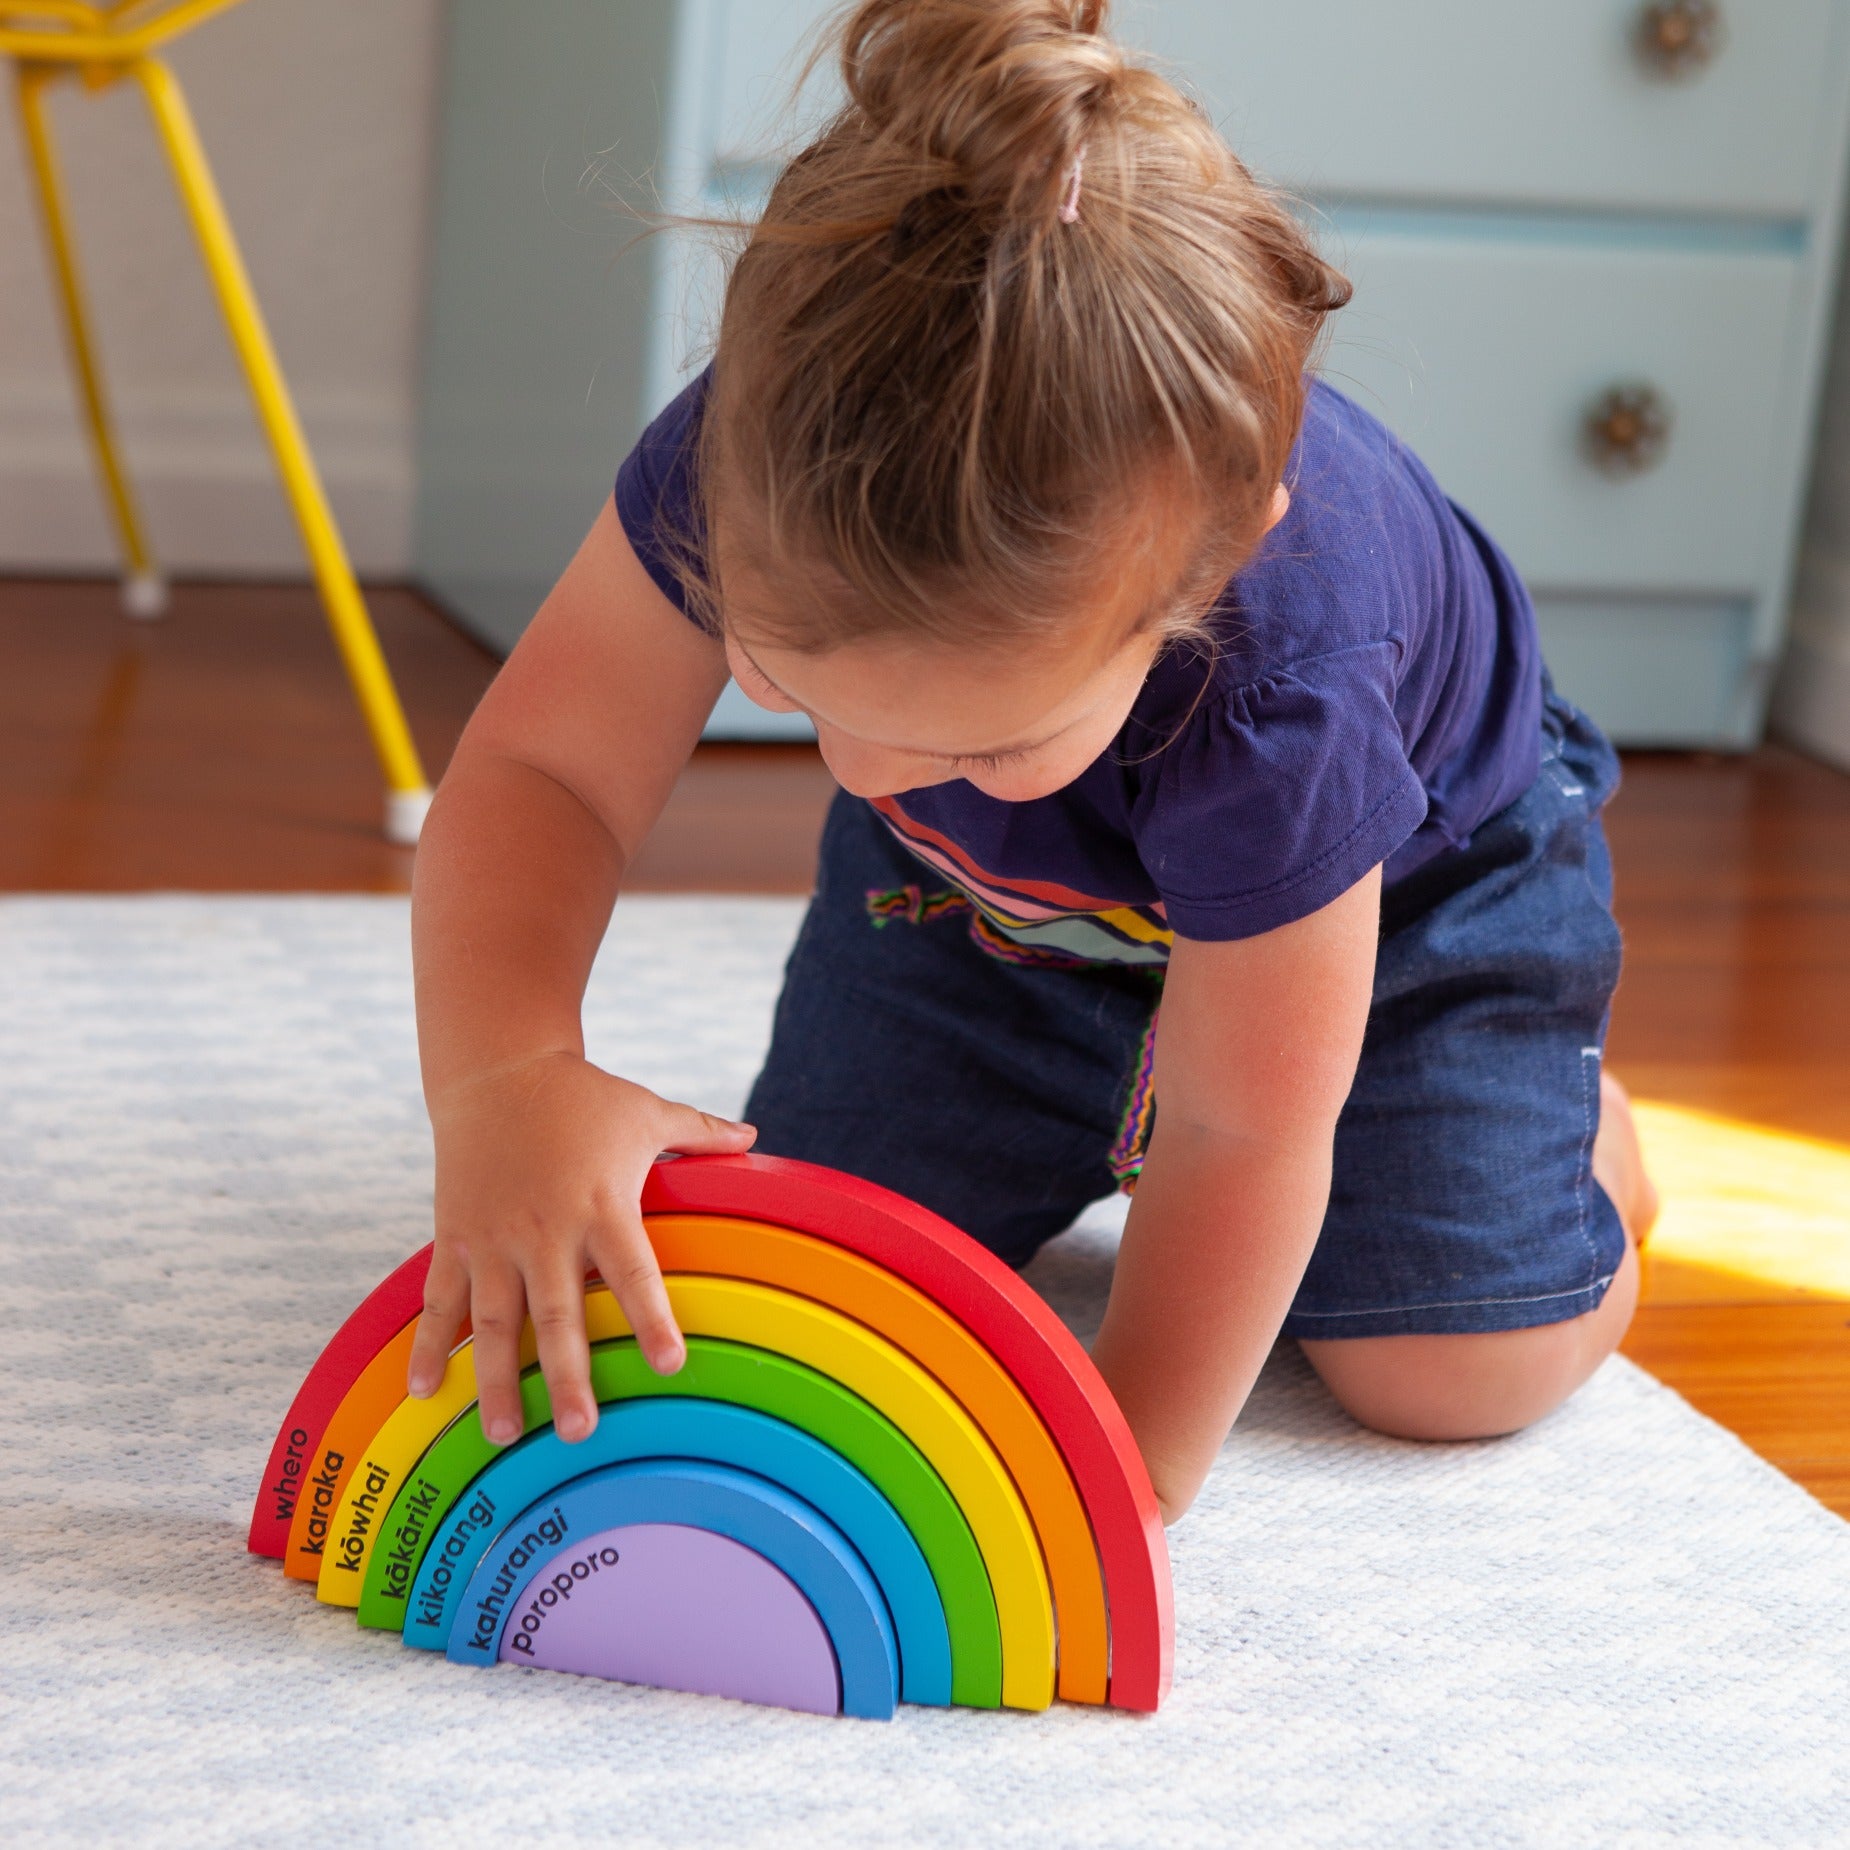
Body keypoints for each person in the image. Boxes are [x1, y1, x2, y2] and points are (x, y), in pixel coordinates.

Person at [406, 0, 1658, 1522]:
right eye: (790, 686)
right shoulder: (759, 458)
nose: (864, 770)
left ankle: (1573, 1139)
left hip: (1401, 915)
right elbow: (549, 766)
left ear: (1204, 579)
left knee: (1442, 1368)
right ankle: (1058, 1009)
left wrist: (1114, 1479)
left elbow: (1239, 1125)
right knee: (832, 1284)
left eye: (975, 734)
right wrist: (507, 1075)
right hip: (987, 908)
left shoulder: (1286, 684)